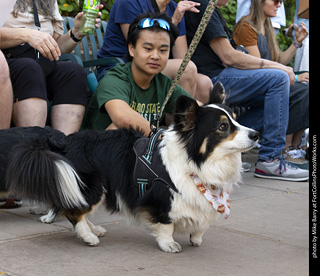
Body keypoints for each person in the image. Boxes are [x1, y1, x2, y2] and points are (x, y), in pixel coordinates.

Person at [184, 0, 308, 181]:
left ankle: (236, 145)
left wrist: (293, 48)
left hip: (224, 74)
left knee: (292, 91)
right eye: (276, 0)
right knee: (279, 79)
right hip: (214, 78)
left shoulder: (214, 10)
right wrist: (279, 68)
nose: (279, 4)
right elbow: (229, 56)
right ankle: (271, 159)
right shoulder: (204, 6)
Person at [0, 0, 102, 135]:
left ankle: (64, 147)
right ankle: (31, 148)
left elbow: (56, 46)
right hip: (9, 61)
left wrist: (76, 33)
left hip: (40, 62)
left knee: (73, 72)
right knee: (30, 68)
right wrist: (27, 35)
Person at [82, 12, 192, 135]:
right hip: (98, 149)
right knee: (124, 128)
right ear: (132, 49)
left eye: (163, 50)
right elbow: (123, 118)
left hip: (138, 149)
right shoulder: (115, 79)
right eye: (148, 49)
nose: (155, 56)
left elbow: (196, 110)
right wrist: (161, 141)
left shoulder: (164, 84)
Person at [233, 0, 309, 169]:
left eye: (280, 1)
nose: (279, 5)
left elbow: (278, 61)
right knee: (300, 91)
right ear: (259, 2)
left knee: (305, 89)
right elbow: (258, 69)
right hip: (248, 86)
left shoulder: (266, 28)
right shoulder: (246, 27)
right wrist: (295, 78)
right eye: (275, 1)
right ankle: (284, 149)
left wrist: (297, 43)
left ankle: (293, 147)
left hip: (265, 83)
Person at [96, 0, 213, 103]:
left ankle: (185, 125)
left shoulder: (175, 8)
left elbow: (182, 58)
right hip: (121, 66)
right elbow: (139, 47)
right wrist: (173, 22)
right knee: (187, 69)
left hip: (153, 63)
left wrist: (175, 21)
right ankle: (177, 126)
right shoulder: (128, 2)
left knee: (204, 83)